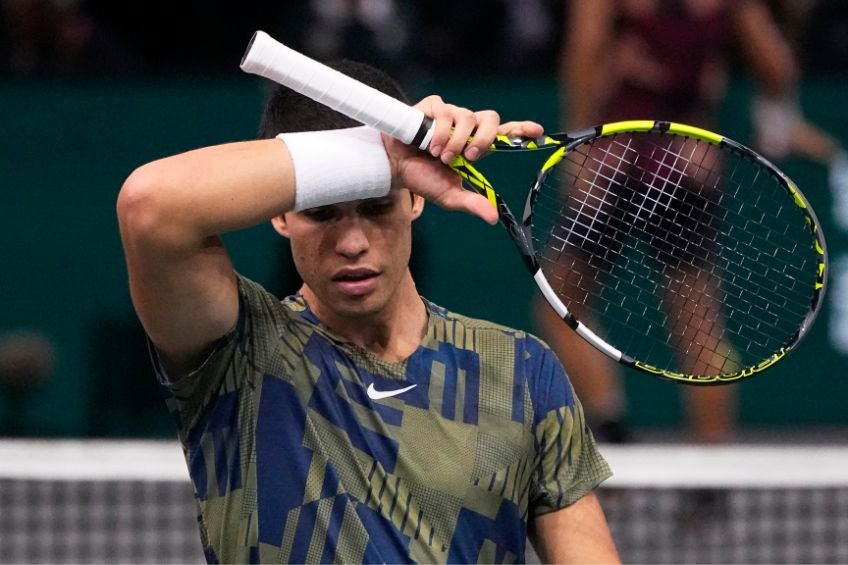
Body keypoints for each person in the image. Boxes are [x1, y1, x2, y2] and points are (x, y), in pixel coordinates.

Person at [116, 59, 619, 564]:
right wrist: (390, 162)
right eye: (321, 211)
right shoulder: (238, 355)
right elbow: (149, 206)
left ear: (415, 201)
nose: (353, 243)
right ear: (279, 212)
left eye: (377, 206)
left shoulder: (522, 371)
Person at [542, 0, 847, 444]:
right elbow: (777, 68)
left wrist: (578, 141)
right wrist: (772, 110)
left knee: (559, 303)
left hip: (615, 161)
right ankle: (712, 470)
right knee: (699, 326)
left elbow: (586, 51)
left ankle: (611, 426)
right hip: (690, 164)